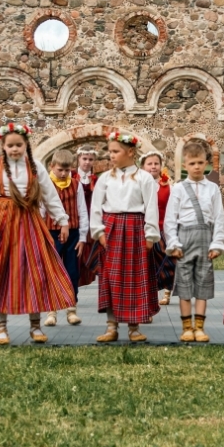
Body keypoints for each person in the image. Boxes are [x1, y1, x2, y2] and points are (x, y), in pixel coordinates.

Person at [0, 122, 75, 343]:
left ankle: (35, 327)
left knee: (35, 272)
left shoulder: (36, 167)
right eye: (10, 145)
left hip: (30, 222)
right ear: (2, 145)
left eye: (19, 145)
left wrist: (62, 221)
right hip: (2, 222)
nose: (14, 149)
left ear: (26, 145)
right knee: (0, 273)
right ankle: (1, 328)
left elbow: (50, 195)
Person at [88, 131, 160, 343]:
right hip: (111, 229)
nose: (111, 155)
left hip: (135, 228)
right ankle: (111, 326)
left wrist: (150, 234)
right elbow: (96, 207)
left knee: (135, 277)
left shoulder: (144, 178)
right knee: (110, 277)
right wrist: (99, 231)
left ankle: (134, 326)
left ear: (130, 152)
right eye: (110, 151)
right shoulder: (105, 178)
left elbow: (151, 207)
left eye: (115, 151)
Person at [164, 138, 224, 342]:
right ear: (185, 165)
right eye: (192, 163)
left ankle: (199, 327)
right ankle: (186, 327)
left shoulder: (213, 189)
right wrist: (172, 243)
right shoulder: (179, 188)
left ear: (206, 162)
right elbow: (170, 219)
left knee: (203, 282)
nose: (197, 167)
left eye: (200, 162)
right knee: (184, 284)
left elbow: (218, 217)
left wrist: (217, 243)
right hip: (184, 238)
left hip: (205, 238)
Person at [43, 148, 88, 328]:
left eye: (67, 170)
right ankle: (51, 310)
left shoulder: (76, 185)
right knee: (52, 271)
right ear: (52, 166)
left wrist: (83, 237)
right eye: (60, 170)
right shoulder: (45, 184)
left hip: (74, 233)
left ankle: (71, 308)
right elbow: (40, 210)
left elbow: (82, 211)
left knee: (72, 271)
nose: (63, 174)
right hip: (51, 232)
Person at [142, 151, 176, 308]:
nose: (153, 166)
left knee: (168, 261)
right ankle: (150, 294)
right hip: (145, 230)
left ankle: (168, 291)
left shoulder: (169, 186)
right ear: (143, 166)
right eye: (149, 164)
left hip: (163, 229)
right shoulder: (138, 185)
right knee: (148, 264)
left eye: (156, 163)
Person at [74, 146, 102, 291]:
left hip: (91, 218)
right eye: (84, 159)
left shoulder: (96, 180)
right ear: (78, 159)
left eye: (90, 159)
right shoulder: (72, 176)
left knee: (89, 251)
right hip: (75, 217)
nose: (87, 162)